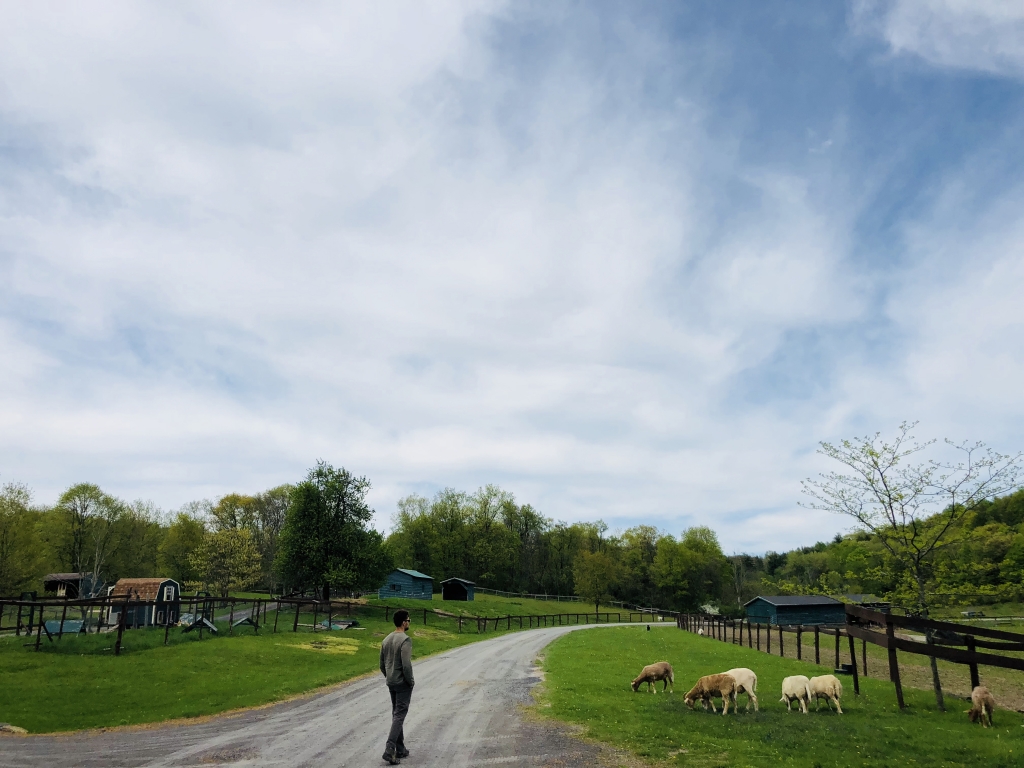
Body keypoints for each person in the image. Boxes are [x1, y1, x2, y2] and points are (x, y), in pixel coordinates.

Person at [379, 609, 414, 765]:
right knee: (400, 715)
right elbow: (406, 664)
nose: (409, 623)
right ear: (403, 622)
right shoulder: (405, 640)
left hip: (391, 682)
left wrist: (389, 676)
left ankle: (400, 749)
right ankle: (390, 749)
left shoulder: (386, 639)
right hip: (402, 683)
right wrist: (410, 681)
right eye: (408, 620)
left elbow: (381, 664)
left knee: (396, 714)